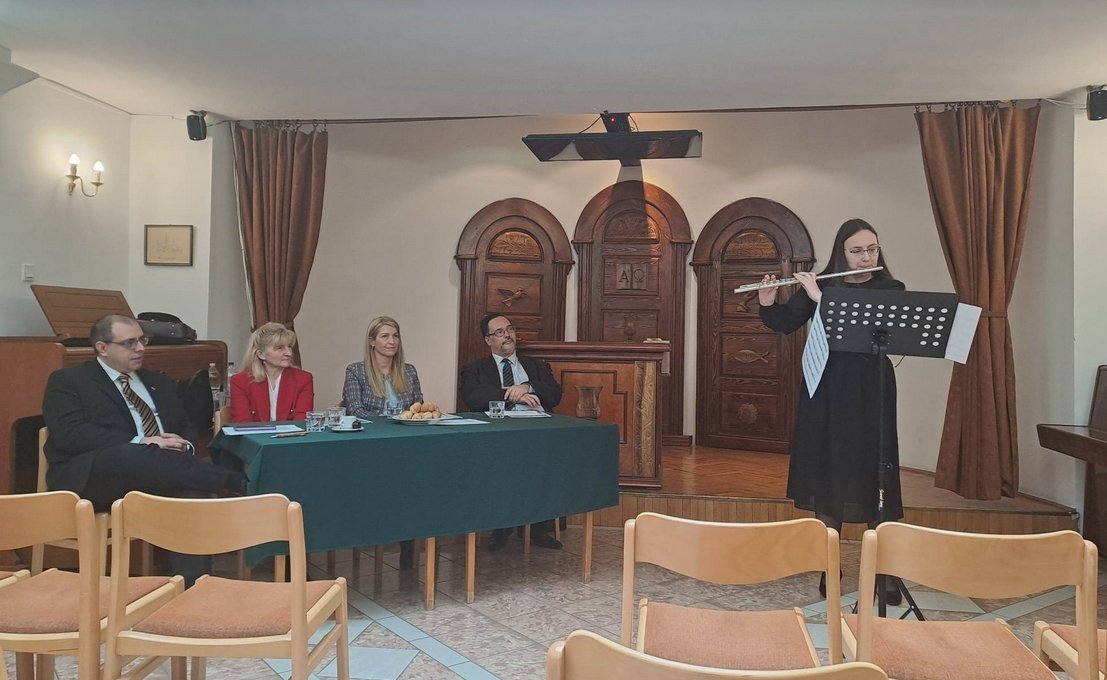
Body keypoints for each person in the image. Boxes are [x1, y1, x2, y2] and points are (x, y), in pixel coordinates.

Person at [758, 219, 904, 603]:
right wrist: (768, 302)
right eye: (857, 251)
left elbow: (864, 327)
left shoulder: (890, 288)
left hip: (871, 387)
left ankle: (885, 572)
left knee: (876, 467)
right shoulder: (822, 283)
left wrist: (821, 299)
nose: (866, 257)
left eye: (872, 249)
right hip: (827, 385)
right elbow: (786, 323)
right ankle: (829, 566)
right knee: (829, 466)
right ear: (842, 252)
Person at [42, 314, 246, 585]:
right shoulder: (69, 381)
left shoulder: (156, 381)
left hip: (164, 471)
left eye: (142, 340)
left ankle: (195, 588)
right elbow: (70, 434)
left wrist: (183, 444)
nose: (140, 348)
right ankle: (236, 483)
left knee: (190, 493)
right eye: (129, 343)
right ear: (102, 348)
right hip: (96, 475)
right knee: (131, 453)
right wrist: (141, 441)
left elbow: (186, 425)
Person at [459, 313, 564, 551]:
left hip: (537, 433)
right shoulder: (475, 369)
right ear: (488, 340)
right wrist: (512, 395)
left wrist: (528, 387)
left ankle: (538, 528)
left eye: (509, 329)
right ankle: (501, 528)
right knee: (502, 465)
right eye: (499, 332)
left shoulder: (537, 367)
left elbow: (555, 394)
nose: (507, 335)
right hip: (499, 434)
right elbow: (473, 397)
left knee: (546, 462)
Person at [229, 322, 314, 422]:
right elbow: (243, 423)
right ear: (261, 354)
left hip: (293, 433)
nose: (289, 353)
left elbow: (301, 422)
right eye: (279, 348)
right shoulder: (240, 381)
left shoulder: (303, 379)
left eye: (289, 347)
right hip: (254, 433)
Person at [343, 316, 423, 418]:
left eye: (395, 336)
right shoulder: (355, 371)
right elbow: (355, 411)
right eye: (385, 336)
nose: (392, 341)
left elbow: (418, 408)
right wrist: (392, 418)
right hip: (373, 428)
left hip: (405, 427)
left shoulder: (410, 371)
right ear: (372, 341)